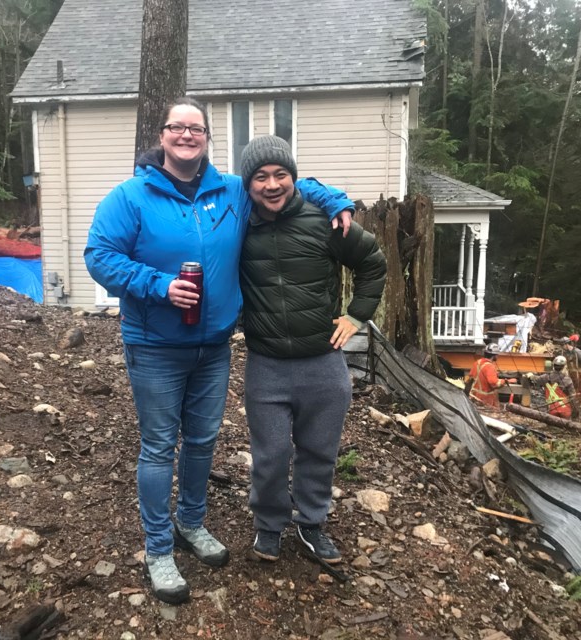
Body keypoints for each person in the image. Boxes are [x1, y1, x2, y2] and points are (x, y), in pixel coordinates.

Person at [83, 97, 355, 605]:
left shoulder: (230, 190)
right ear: (162, 136)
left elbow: (291, 184)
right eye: (176, 127)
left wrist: (337, 199)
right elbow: (98, 257)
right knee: (160, 445)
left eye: (196, 129)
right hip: (156, 345)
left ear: (207, 138)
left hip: (213, 347)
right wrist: (157, 285)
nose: (186, 135)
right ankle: (159, 547)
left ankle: (191, 522)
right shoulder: (131, 196)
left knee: (203, 441)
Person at [237, 135, 387, 566]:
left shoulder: (327, 221)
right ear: (248, 184)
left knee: (320, 451)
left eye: (280, 174)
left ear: (293, 178)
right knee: (270, 455)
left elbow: (372, 263)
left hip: (323, 363)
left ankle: (311, 524)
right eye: (261, 177)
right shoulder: (238, 226)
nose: (271, 184)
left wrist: (356, 316)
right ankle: (268, 526)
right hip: (266, 364)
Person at [526, 355, 576, 419]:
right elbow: (573, 396)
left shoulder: (546, 377)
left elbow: (535, 379)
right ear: (564, 367)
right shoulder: (567, 380)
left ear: (553, 366)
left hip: (552, 409)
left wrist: (530, 375)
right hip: (565, 410)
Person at [466, 343, 516, 408]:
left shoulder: (477, 362)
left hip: (474, 396)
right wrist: (507, 381)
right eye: (497, 355)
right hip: (484, 399)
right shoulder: (490, 367)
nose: (497, 356)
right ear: (494, 355)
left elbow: (470, 377)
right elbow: (494, 383)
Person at [561, 334, 581, 421]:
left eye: (562, 345)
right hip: (573, 376)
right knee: (573, 394)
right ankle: (575, 413)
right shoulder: (565, 353)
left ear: (566, 344)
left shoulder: (577, 352)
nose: (562, 347)